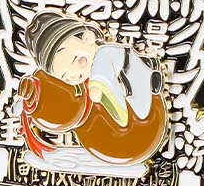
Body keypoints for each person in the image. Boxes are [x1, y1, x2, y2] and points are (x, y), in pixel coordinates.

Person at [18, 11, 168, 171]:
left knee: (104, 58)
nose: (77, 74)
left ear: (88, 38)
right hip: (127, 133)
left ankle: (144, 78)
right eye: (67, 77)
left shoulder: (106, 54)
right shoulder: (85, 87)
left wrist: (98, 85)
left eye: (79, 60)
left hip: (141, 114)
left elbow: (109, 64)